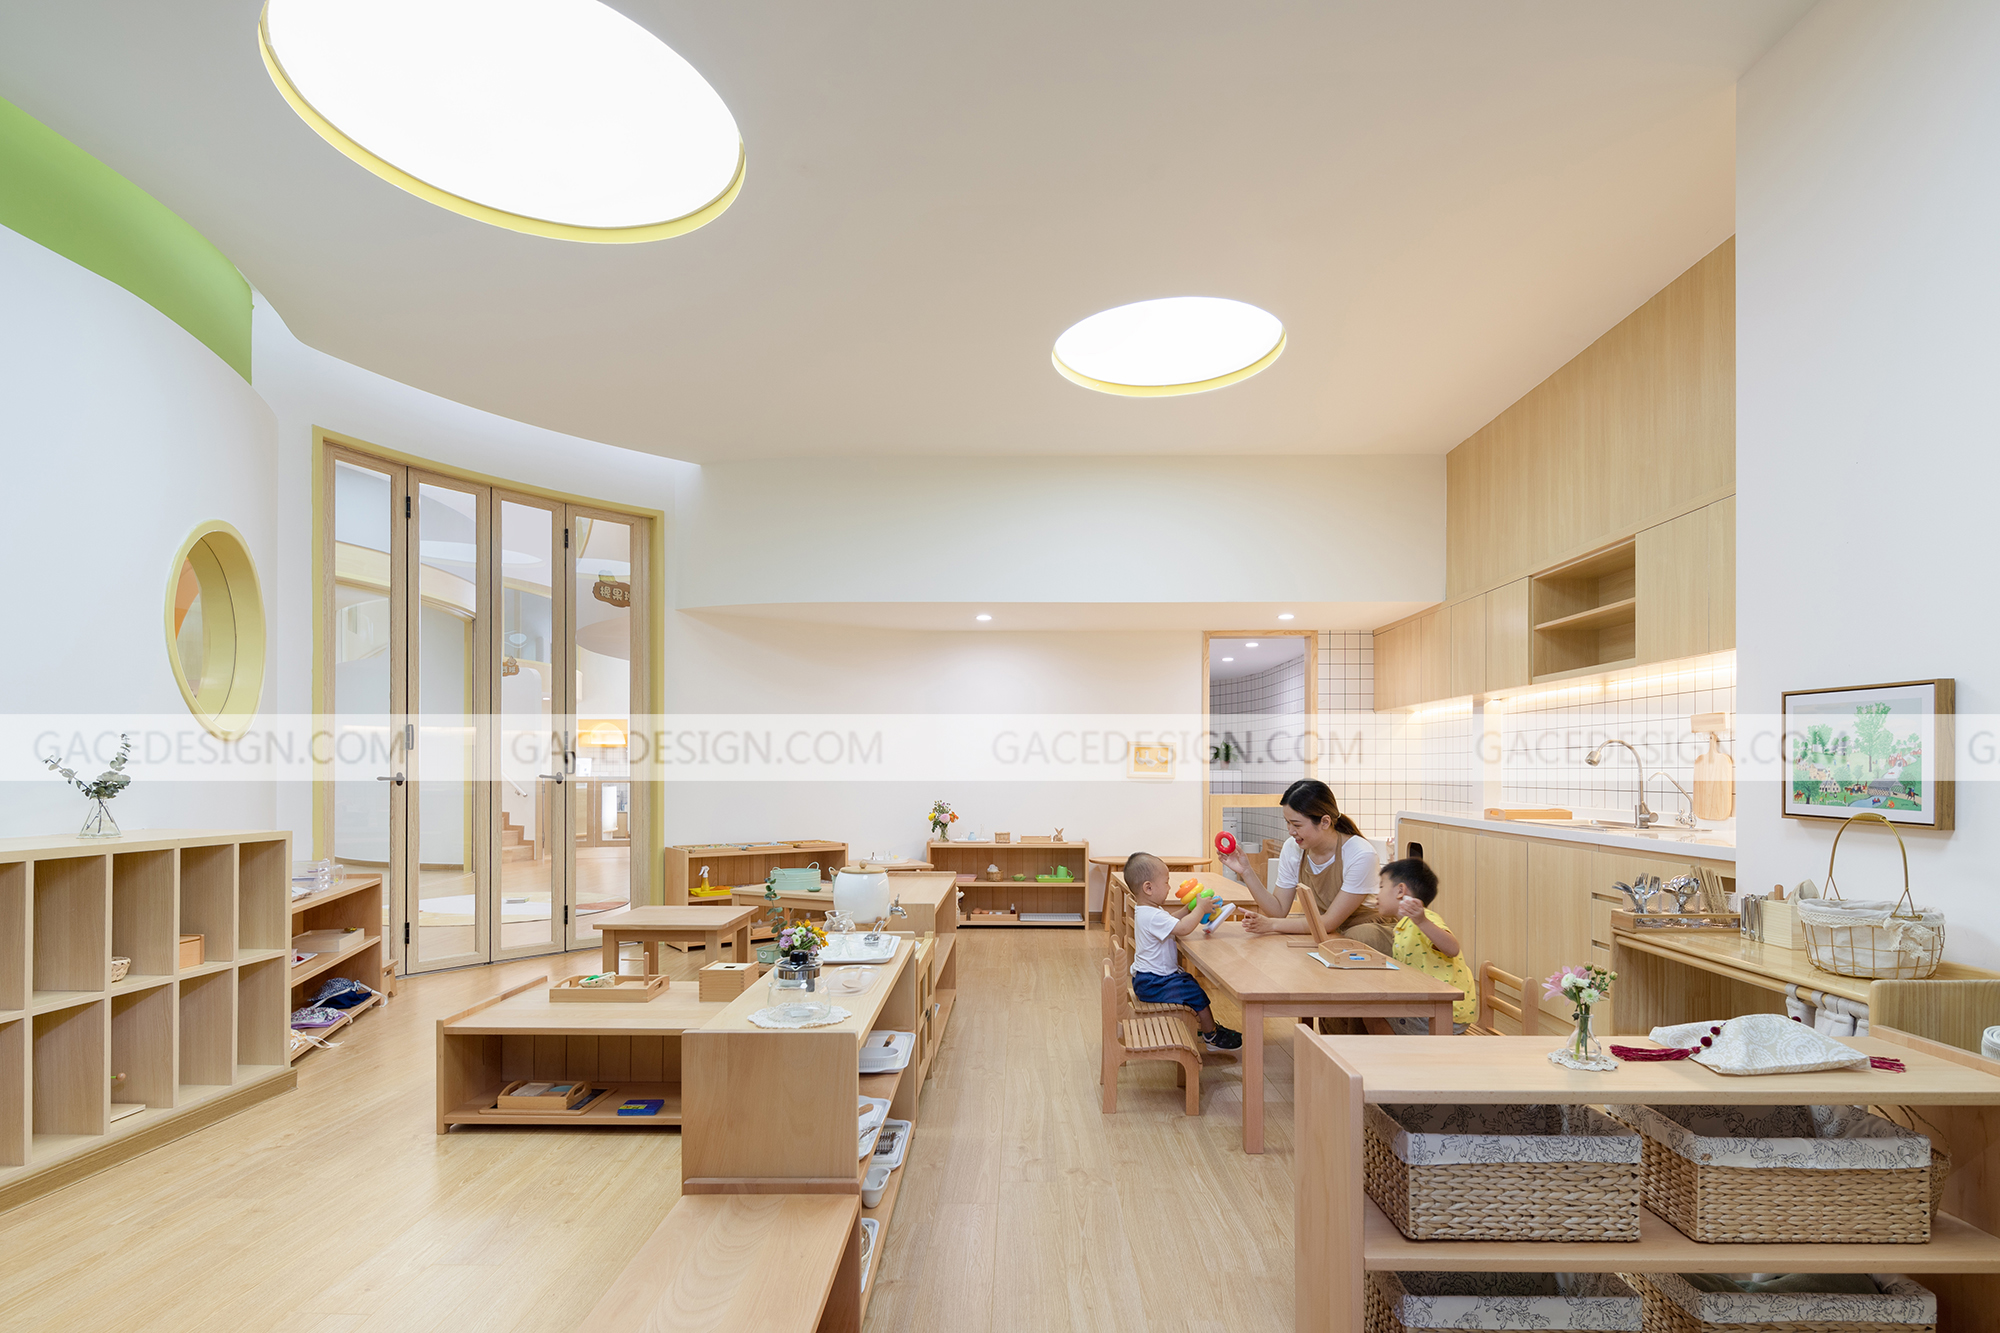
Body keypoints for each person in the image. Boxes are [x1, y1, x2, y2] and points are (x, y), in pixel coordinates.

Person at [1219, 779, 1392, 953]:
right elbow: (1278, 910)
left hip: (1366, 934)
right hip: (1325, 931)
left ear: (1325, 822)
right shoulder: (1293, 847)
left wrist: (1271, 924)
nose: (1290, 831)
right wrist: (1246, 871)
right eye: (1287, 822)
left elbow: (1329, 922)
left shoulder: (1360, 854)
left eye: (1297, 825)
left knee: (1357, 936)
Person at [1124, 852, 1243, 1052]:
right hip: (1154, 982)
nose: (1169, 887)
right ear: (1148, 888)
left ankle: (1205, 1027)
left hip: (1150, 979)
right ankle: (1211, 1037)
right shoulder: (1152, 916)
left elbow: (1172, 921)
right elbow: (1183, 928)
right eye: (1166, 882)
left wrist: (1188, 910)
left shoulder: (1148, 911)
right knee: (1195, 993)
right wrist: (1200, 910)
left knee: (1190, 983)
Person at [1378, 858, 1476, 1034]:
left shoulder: (1425, 919)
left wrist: (1422, 921)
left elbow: (1452, 949)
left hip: (1442, 1013)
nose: (1377, 895)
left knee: (1372, 1013)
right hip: (1431, 1008)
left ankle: (1402, 1051)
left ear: (1400, 890)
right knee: (1374, 1010)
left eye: (1381, 887)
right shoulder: (1404, 926)